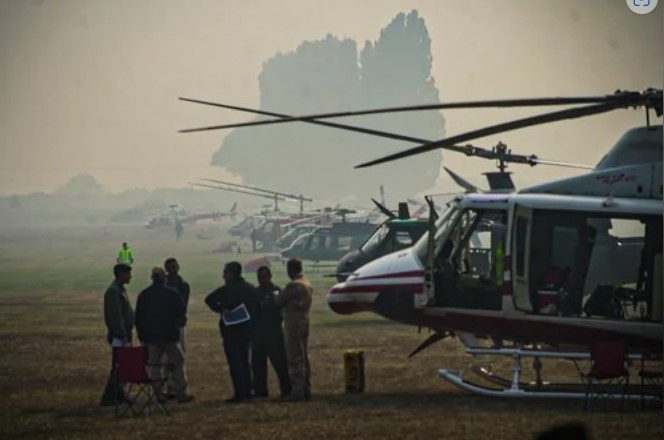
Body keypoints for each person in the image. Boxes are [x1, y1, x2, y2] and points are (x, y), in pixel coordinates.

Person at [135, 267, 194, 404]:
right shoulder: (172, 294)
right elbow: (181, 310)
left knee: (155, 365)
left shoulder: (144, 294)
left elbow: (138, 317)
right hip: (169, 336)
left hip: (150, 337)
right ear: (164, 278)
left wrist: (141, 335)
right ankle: (179, 391)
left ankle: (159, 393)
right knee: (178, 360)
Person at [205, 261, 257, 403]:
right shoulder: (250, 288)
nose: (223, 276)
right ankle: (249, 390)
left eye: (225, 272)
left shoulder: (227, 290)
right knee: (246, 361)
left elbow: (209, 299)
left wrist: (221, 309)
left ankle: (240, 392)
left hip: (231, 331)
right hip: (247, 329)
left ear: (232, 274)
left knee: (235, 363)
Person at [275, 258, 313, 401]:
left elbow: (279, 301)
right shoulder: (307, 283)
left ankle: (297, 391)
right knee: (304, 356)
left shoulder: (293, 285)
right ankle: (306, 387)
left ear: (291, 269)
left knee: (294, 356)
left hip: (293, 323)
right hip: (304, 320)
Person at [251, 266, 291, 398]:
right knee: (258, 364)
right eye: (259, 277)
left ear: (269, 276)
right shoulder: (255, 292)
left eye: (263, 277)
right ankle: (260, 390)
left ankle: (286, 389)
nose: (261, 280)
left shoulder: (276, 291)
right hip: (258, 332)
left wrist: (263, 306)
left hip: (273, 332)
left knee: (280, 363)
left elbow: (275, 305)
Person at [100, 263, 134, 407]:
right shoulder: (114, 291)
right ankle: (111, 396)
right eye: (128, 273)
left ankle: (118, 394)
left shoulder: (119, 290)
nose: (130, 276)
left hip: (122, 335)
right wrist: (122, 334)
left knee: (121, 366)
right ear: (121, 274)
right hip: (119, 336)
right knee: (118, 366)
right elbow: (115, 316)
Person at [164, 258, 190, 352]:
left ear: (178, 268)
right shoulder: (183, 285)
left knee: (179, 352)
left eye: (174, 267)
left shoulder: (184, 286)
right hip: (168, 323)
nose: (172, 270)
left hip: (178, 322)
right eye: (170, 268)